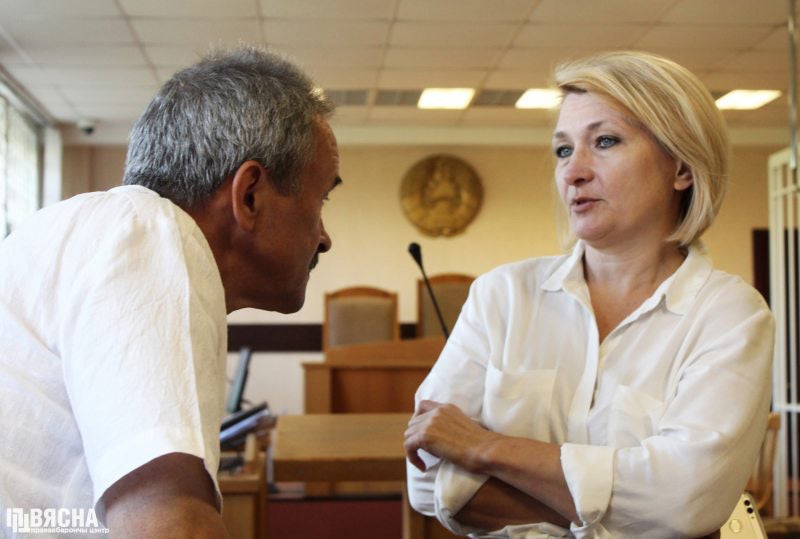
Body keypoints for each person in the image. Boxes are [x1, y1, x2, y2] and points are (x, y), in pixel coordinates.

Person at [404, 50, 775, 538]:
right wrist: (632, 509)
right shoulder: (502, 295)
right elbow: (429, 482)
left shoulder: (731, 315)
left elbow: (687, 501)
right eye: (563, 150)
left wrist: (483, 449)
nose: (573, 171)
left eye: (604, 141)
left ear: (681, 168)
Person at [0, 46, 341, 537]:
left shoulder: (93, 231)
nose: (325, 237)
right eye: (321, 197)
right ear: (249, 196)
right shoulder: (151, 236)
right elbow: (171, 526)